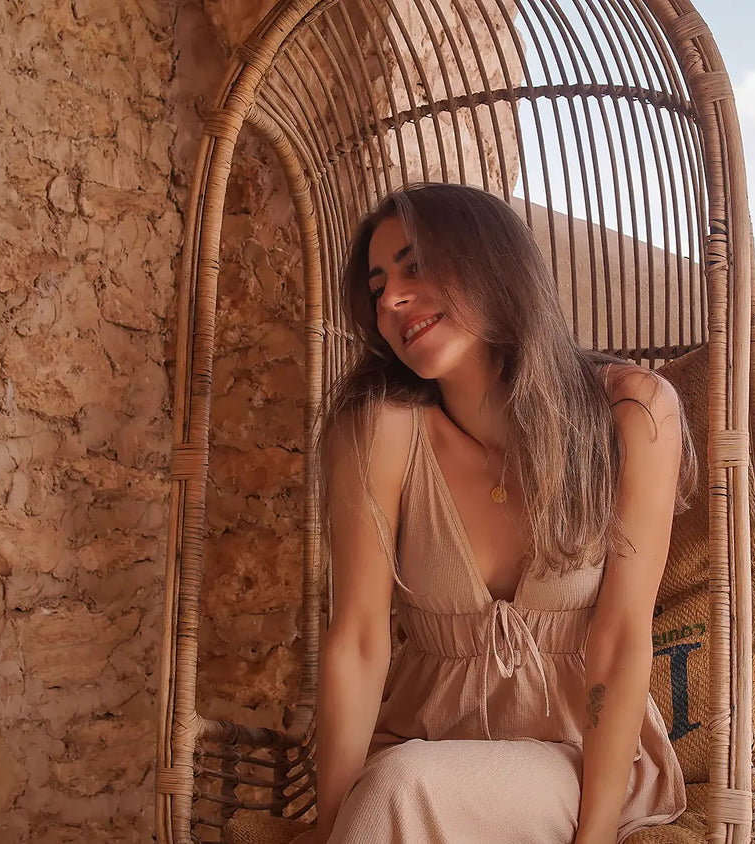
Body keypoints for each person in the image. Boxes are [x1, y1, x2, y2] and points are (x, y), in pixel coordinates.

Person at [297, 183, 695, 844]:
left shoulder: (632, 413)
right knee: (398, 784)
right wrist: (331, 825)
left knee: (402, 787)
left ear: (491, 262)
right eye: (378, 286)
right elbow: (359, 640)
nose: (391, 300)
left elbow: (622, 639)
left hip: (577, 762)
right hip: (418, 746)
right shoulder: (381, 430)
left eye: (415, 266)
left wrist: (594, 835)